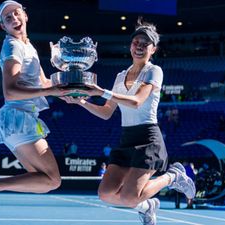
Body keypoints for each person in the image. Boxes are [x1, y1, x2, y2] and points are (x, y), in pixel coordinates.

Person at [61, 18, 195, 225]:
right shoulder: (120, 76)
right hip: (127, 139)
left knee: (129, 197)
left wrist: (101, 92)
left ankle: (173, 176)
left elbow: (136, 102)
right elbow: (107, 112)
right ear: (131, 45)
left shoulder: (153, 71)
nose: (139, 47)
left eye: (145, 44)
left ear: (153, 49)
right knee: (106, 194)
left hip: (148, 138)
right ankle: (148, 206)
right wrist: (81, 102)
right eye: (136, 42)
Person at [0, 0, 67, 218]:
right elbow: (10, 91)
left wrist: (70, 80)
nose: (14, 19)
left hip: (19, 121)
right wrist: (52, 92)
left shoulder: (27, 46)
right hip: (19, 118)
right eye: (8, 18)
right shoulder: (13, 46)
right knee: (52, 179)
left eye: (16, 13)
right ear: (3, 26)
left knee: (48, 180)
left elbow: (45, 83)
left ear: (25, 16)